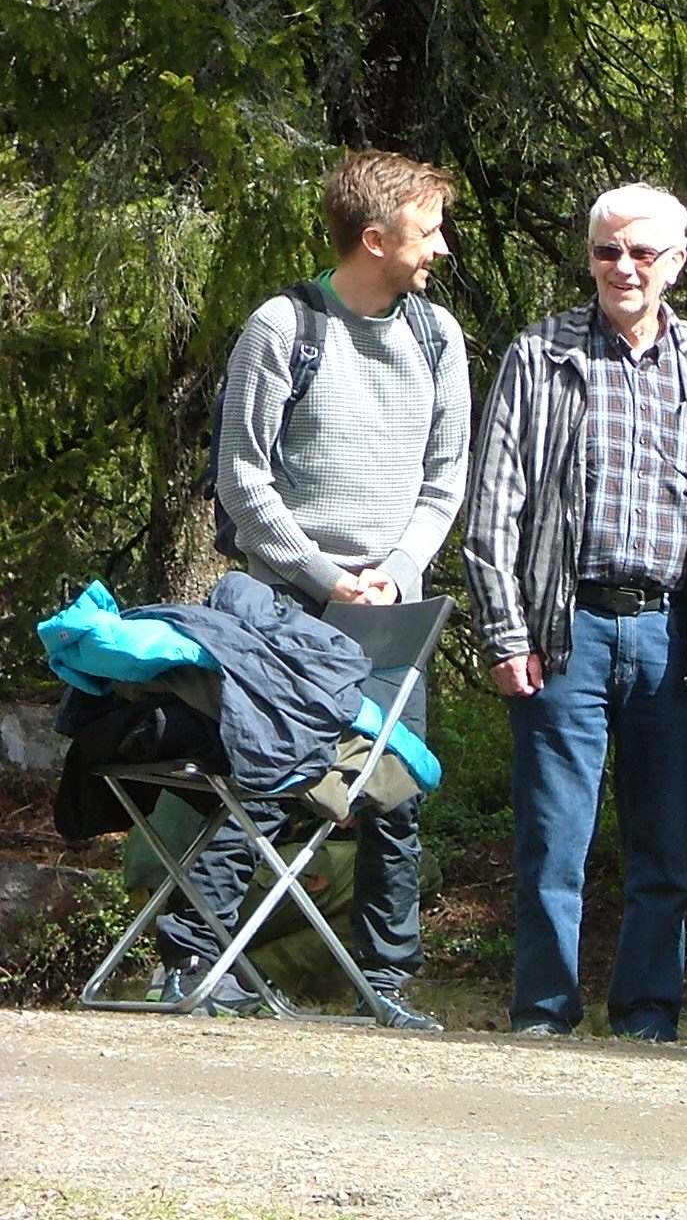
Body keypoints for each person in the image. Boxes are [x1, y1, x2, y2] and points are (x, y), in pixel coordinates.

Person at [159, 148, 472, 1030]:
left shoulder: (439, 337)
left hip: (394, 609)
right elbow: (242, 479)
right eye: (427, 231)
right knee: (261, 779)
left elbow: (445, 479)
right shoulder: (282, 327)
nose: (441, 248)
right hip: (287, 607)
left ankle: (387, 985)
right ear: (374, 239)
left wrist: (395, 572)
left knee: (394, 793)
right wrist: (329, 577)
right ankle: (193, 962)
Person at [465, 182, 687, 1039]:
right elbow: (494, 509)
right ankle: (543, 1013)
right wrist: (505, 631)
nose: (623, 268)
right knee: (553, 842)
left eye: (641, 253)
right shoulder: (541, 354)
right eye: (607, 251)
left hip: (674, 634)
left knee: (662, 850)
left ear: (677, 262)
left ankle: (648, 1018)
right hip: (567, 631)